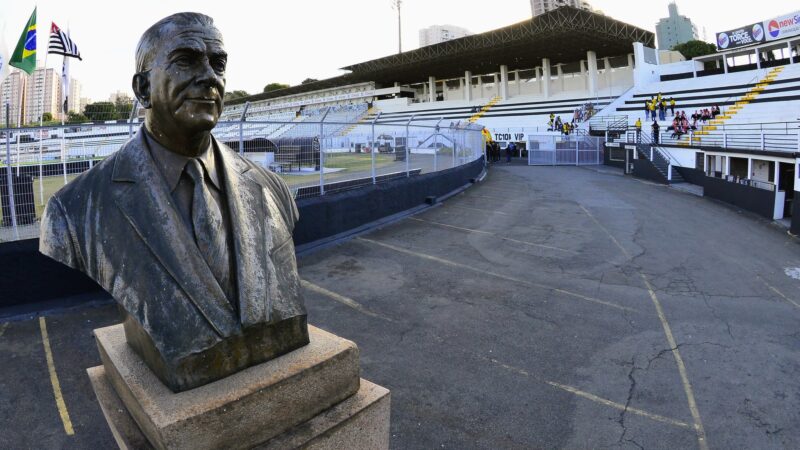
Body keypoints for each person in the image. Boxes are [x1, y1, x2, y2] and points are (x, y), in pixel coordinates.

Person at [39, 13, 309, 392]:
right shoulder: (75, 210)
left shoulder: (270, 188)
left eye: (218, 64)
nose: (209, 77)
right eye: (185, 60)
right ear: (143, 88)